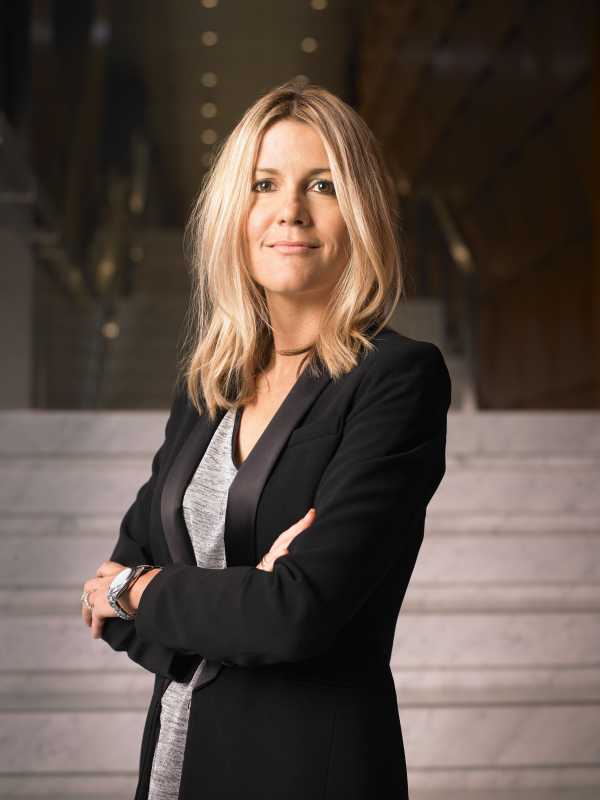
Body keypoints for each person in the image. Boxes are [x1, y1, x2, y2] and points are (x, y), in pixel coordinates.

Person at [80, 78, 451, 800]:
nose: (290, 211)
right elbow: (110, 600)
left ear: (361, 212)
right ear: (236, 211)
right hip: (177, 764)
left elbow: (295, 615)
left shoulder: (395, 380)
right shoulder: (208, 388)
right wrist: (225, 596)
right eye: (264, 184)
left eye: (323, 185)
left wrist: (146, 591)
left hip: (308, 770)